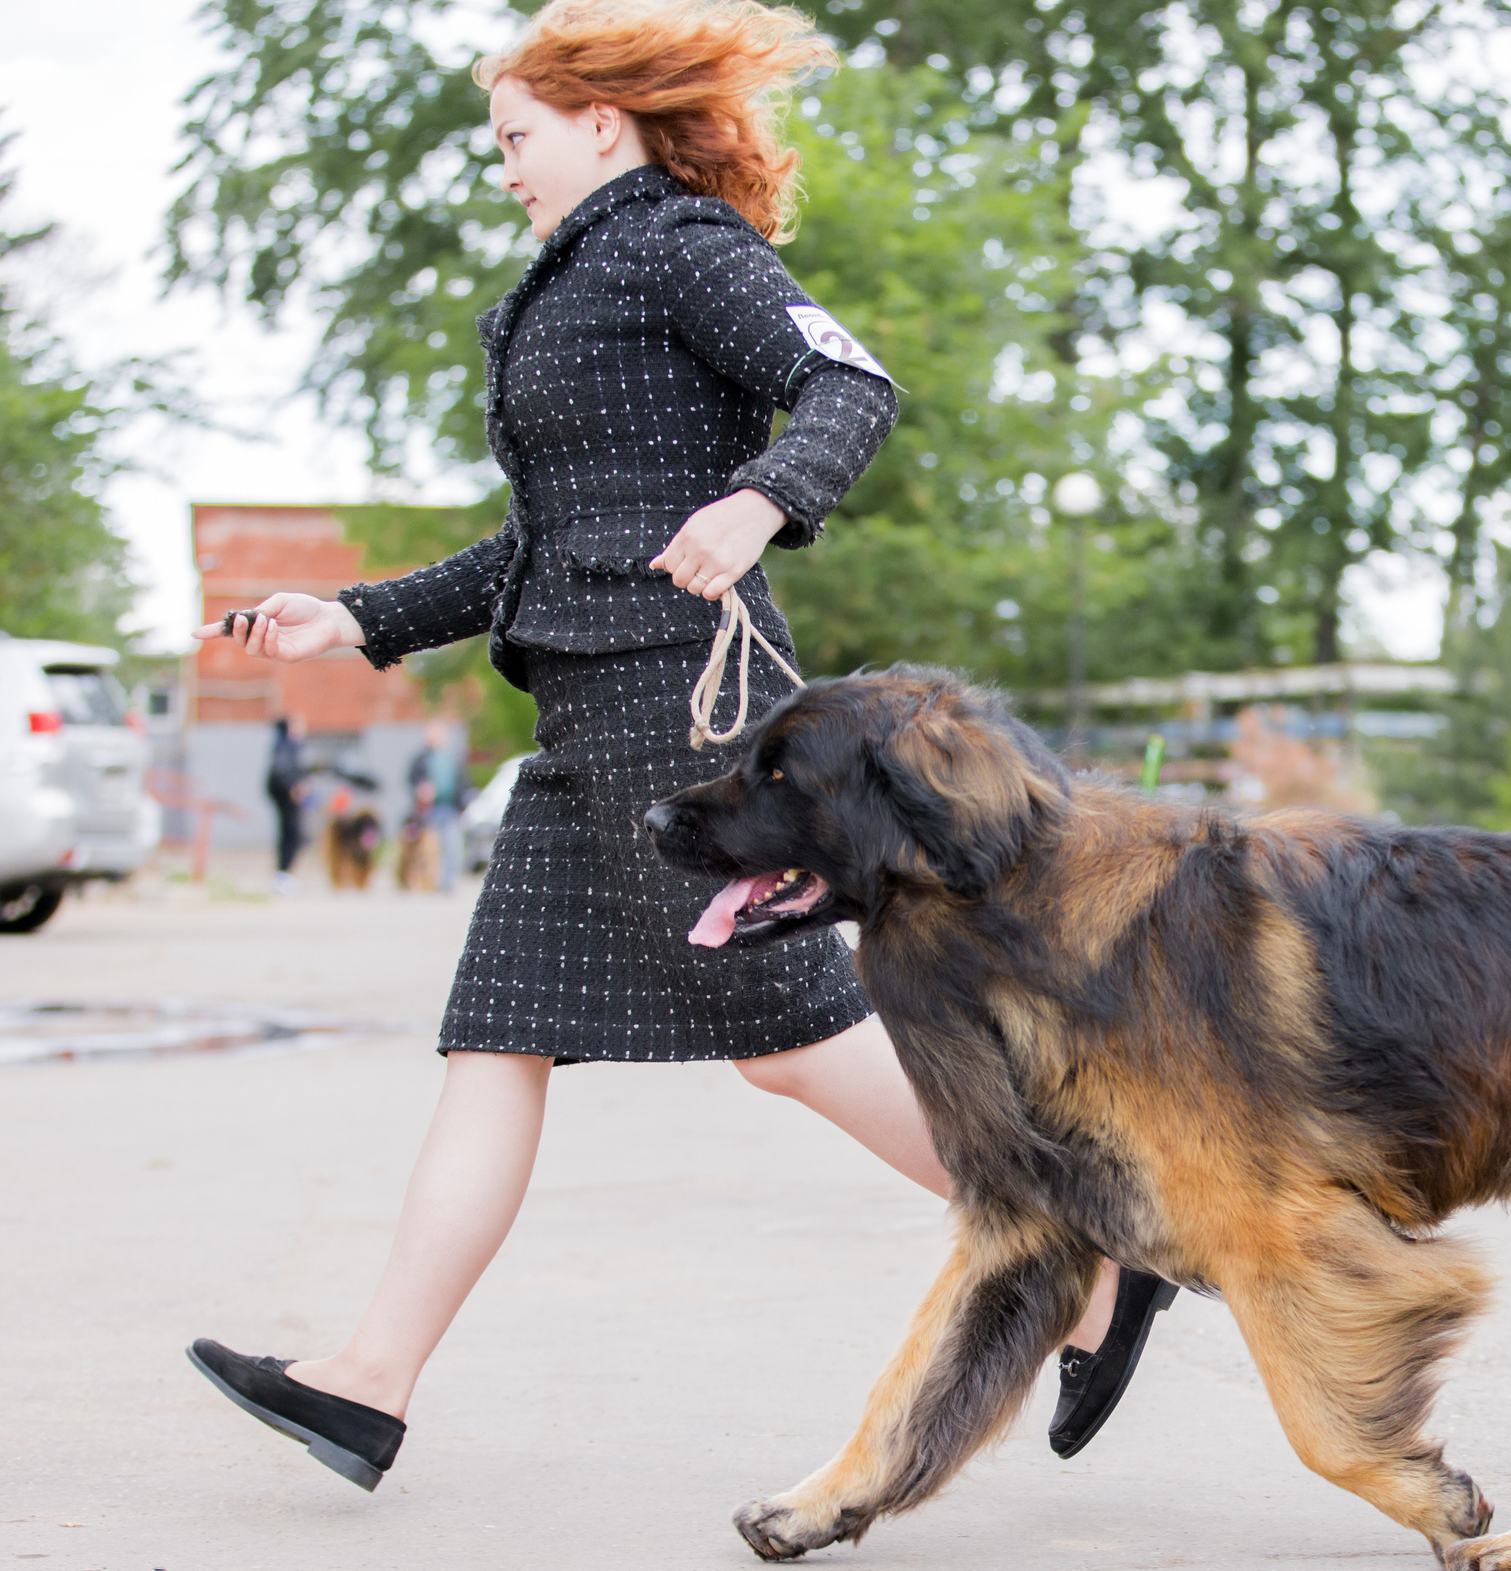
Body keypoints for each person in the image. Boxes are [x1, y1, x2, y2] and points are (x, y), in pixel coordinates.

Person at [181, 0, 1173, 1495]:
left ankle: (1089, 1256)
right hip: (581, 715)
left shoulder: (680, 248)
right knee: (496, 1046)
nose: (502, 165)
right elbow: (547, 539)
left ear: (600, 120)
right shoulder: (570, 277)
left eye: (515, 137)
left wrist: (763, 498)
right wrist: (360, 617)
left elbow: (851, 384)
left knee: (787, 1040)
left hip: (675, 703)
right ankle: (367, 1381)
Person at [404, 718, 468, 893]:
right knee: (429, 848)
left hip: (450, 808)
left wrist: (462, 805)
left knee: (451, 846)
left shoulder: (452, 757)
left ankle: (447, 882)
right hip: (428, 810)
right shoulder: (421, 758)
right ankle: (427, 880)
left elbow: (462, 782)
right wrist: (420, 789)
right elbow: (411, 779)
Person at [264, 714, 307, 897]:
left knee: (293, 835)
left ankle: (284, 875)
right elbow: (281, 773)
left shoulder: (289, 747)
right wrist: (293, 786)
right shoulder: (285, 747)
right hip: (287, 797)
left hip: (288, 796)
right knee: (292, 835)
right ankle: (282, 876)